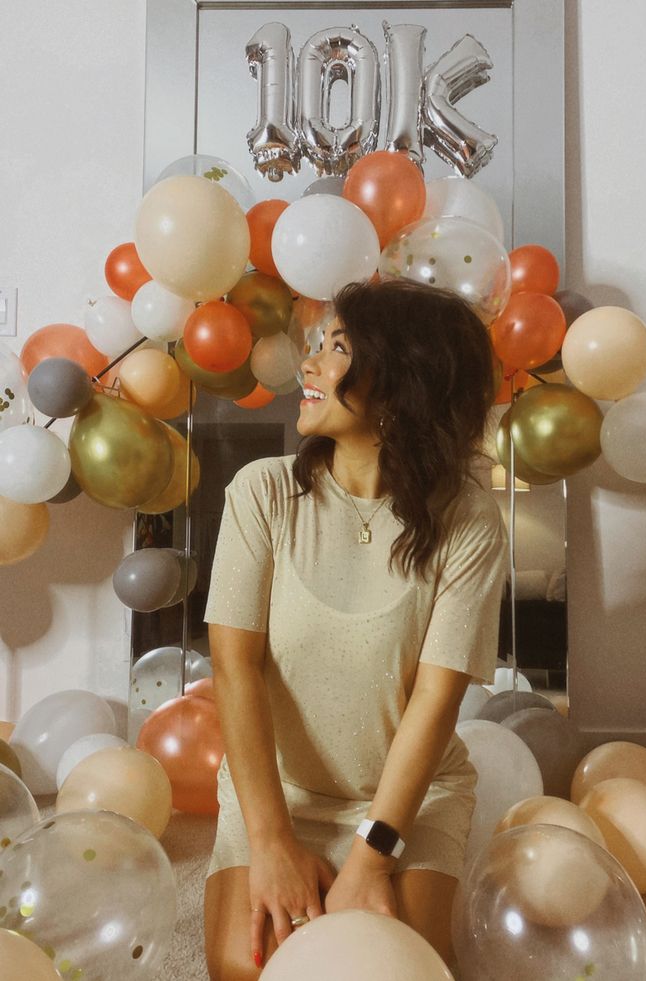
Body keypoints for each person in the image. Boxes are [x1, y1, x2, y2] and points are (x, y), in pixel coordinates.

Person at [203, 278, 508, 980]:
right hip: (277, 793)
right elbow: (233, 669)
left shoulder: (467, 521)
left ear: (403, 384)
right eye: (317, 345)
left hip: (406, 801)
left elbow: (437, 699)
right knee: (241, 967)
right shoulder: (263, 492)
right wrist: (271, 838)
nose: (308, 365)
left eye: (337, 348)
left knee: (399, 967)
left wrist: (372, 856)